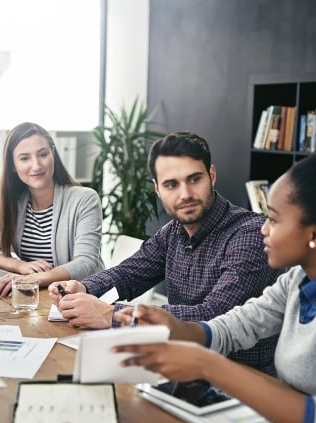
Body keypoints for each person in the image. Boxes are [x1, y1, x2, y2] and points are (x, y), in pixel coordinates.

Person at [113, 129, 316, 423]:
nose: (263, 229)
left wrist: (206, 364)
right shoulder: (298, 280)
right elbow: (235, 326)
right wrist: (174, 327)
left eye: (273, 218)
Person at [49, 131, 282, 374]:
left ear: (212, 175)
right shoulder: (174, 231)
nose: (185, 194)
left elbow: (216, 314)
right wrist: (85, 287)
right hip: (181, 367)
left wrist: (110, 315)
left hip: (237, 381)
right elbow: (129, 274)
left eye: (194, 179)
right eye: (171, 184)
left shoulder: (250, 234)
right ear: (157, 189)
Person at [0, 122, 105, 297]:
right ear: (12, 166)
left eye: (43, 154)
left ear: (53, 154)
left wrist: (36, 278)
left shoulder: (84, 199)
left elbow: (86, 263)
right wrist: (19, 266)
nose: (37, 165)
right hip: (41, 299)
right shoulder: (15, 203)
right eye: (25, 158)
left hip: (85, 298)